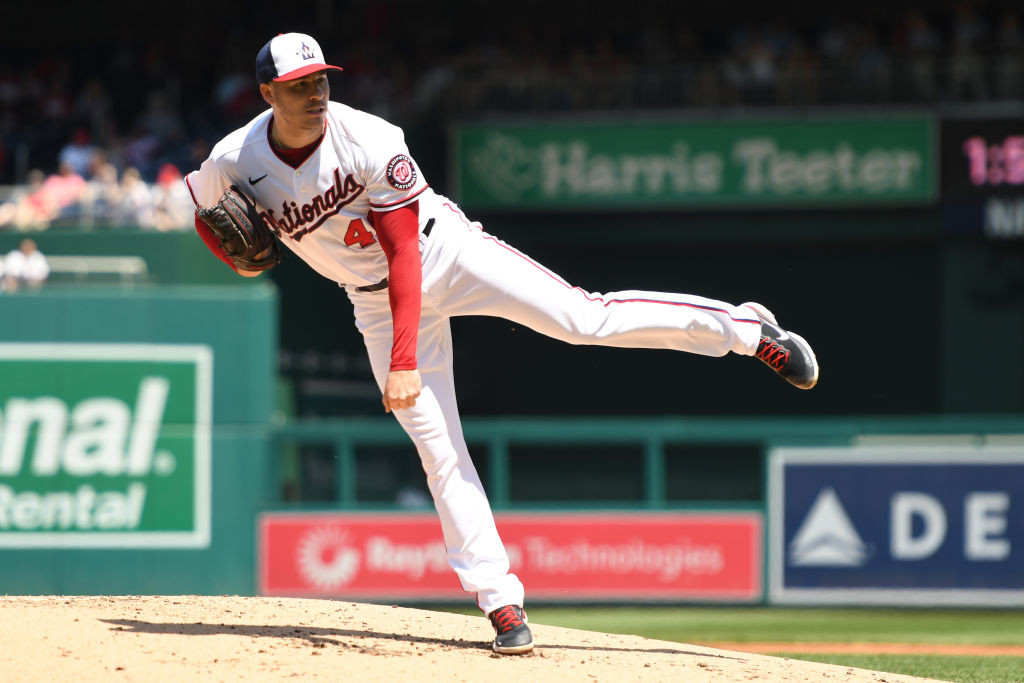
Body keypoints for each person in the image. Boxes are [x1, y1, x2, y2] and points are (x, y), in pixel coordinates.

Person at [185, 32, 819, 655]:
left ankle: (744, 330)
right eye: (299, 86)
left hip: (445, 253)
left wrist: (405, 359)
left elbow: (404, 251)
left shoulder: (369, 138)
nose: (316, 92)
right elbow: (202, 209)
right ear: (268, 92)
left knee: (582, 319)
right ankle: (500, 601)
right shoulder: (234, 159)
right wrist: (234, 259)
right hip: (371, 300)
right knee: (438, 449)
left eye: (322, 78)